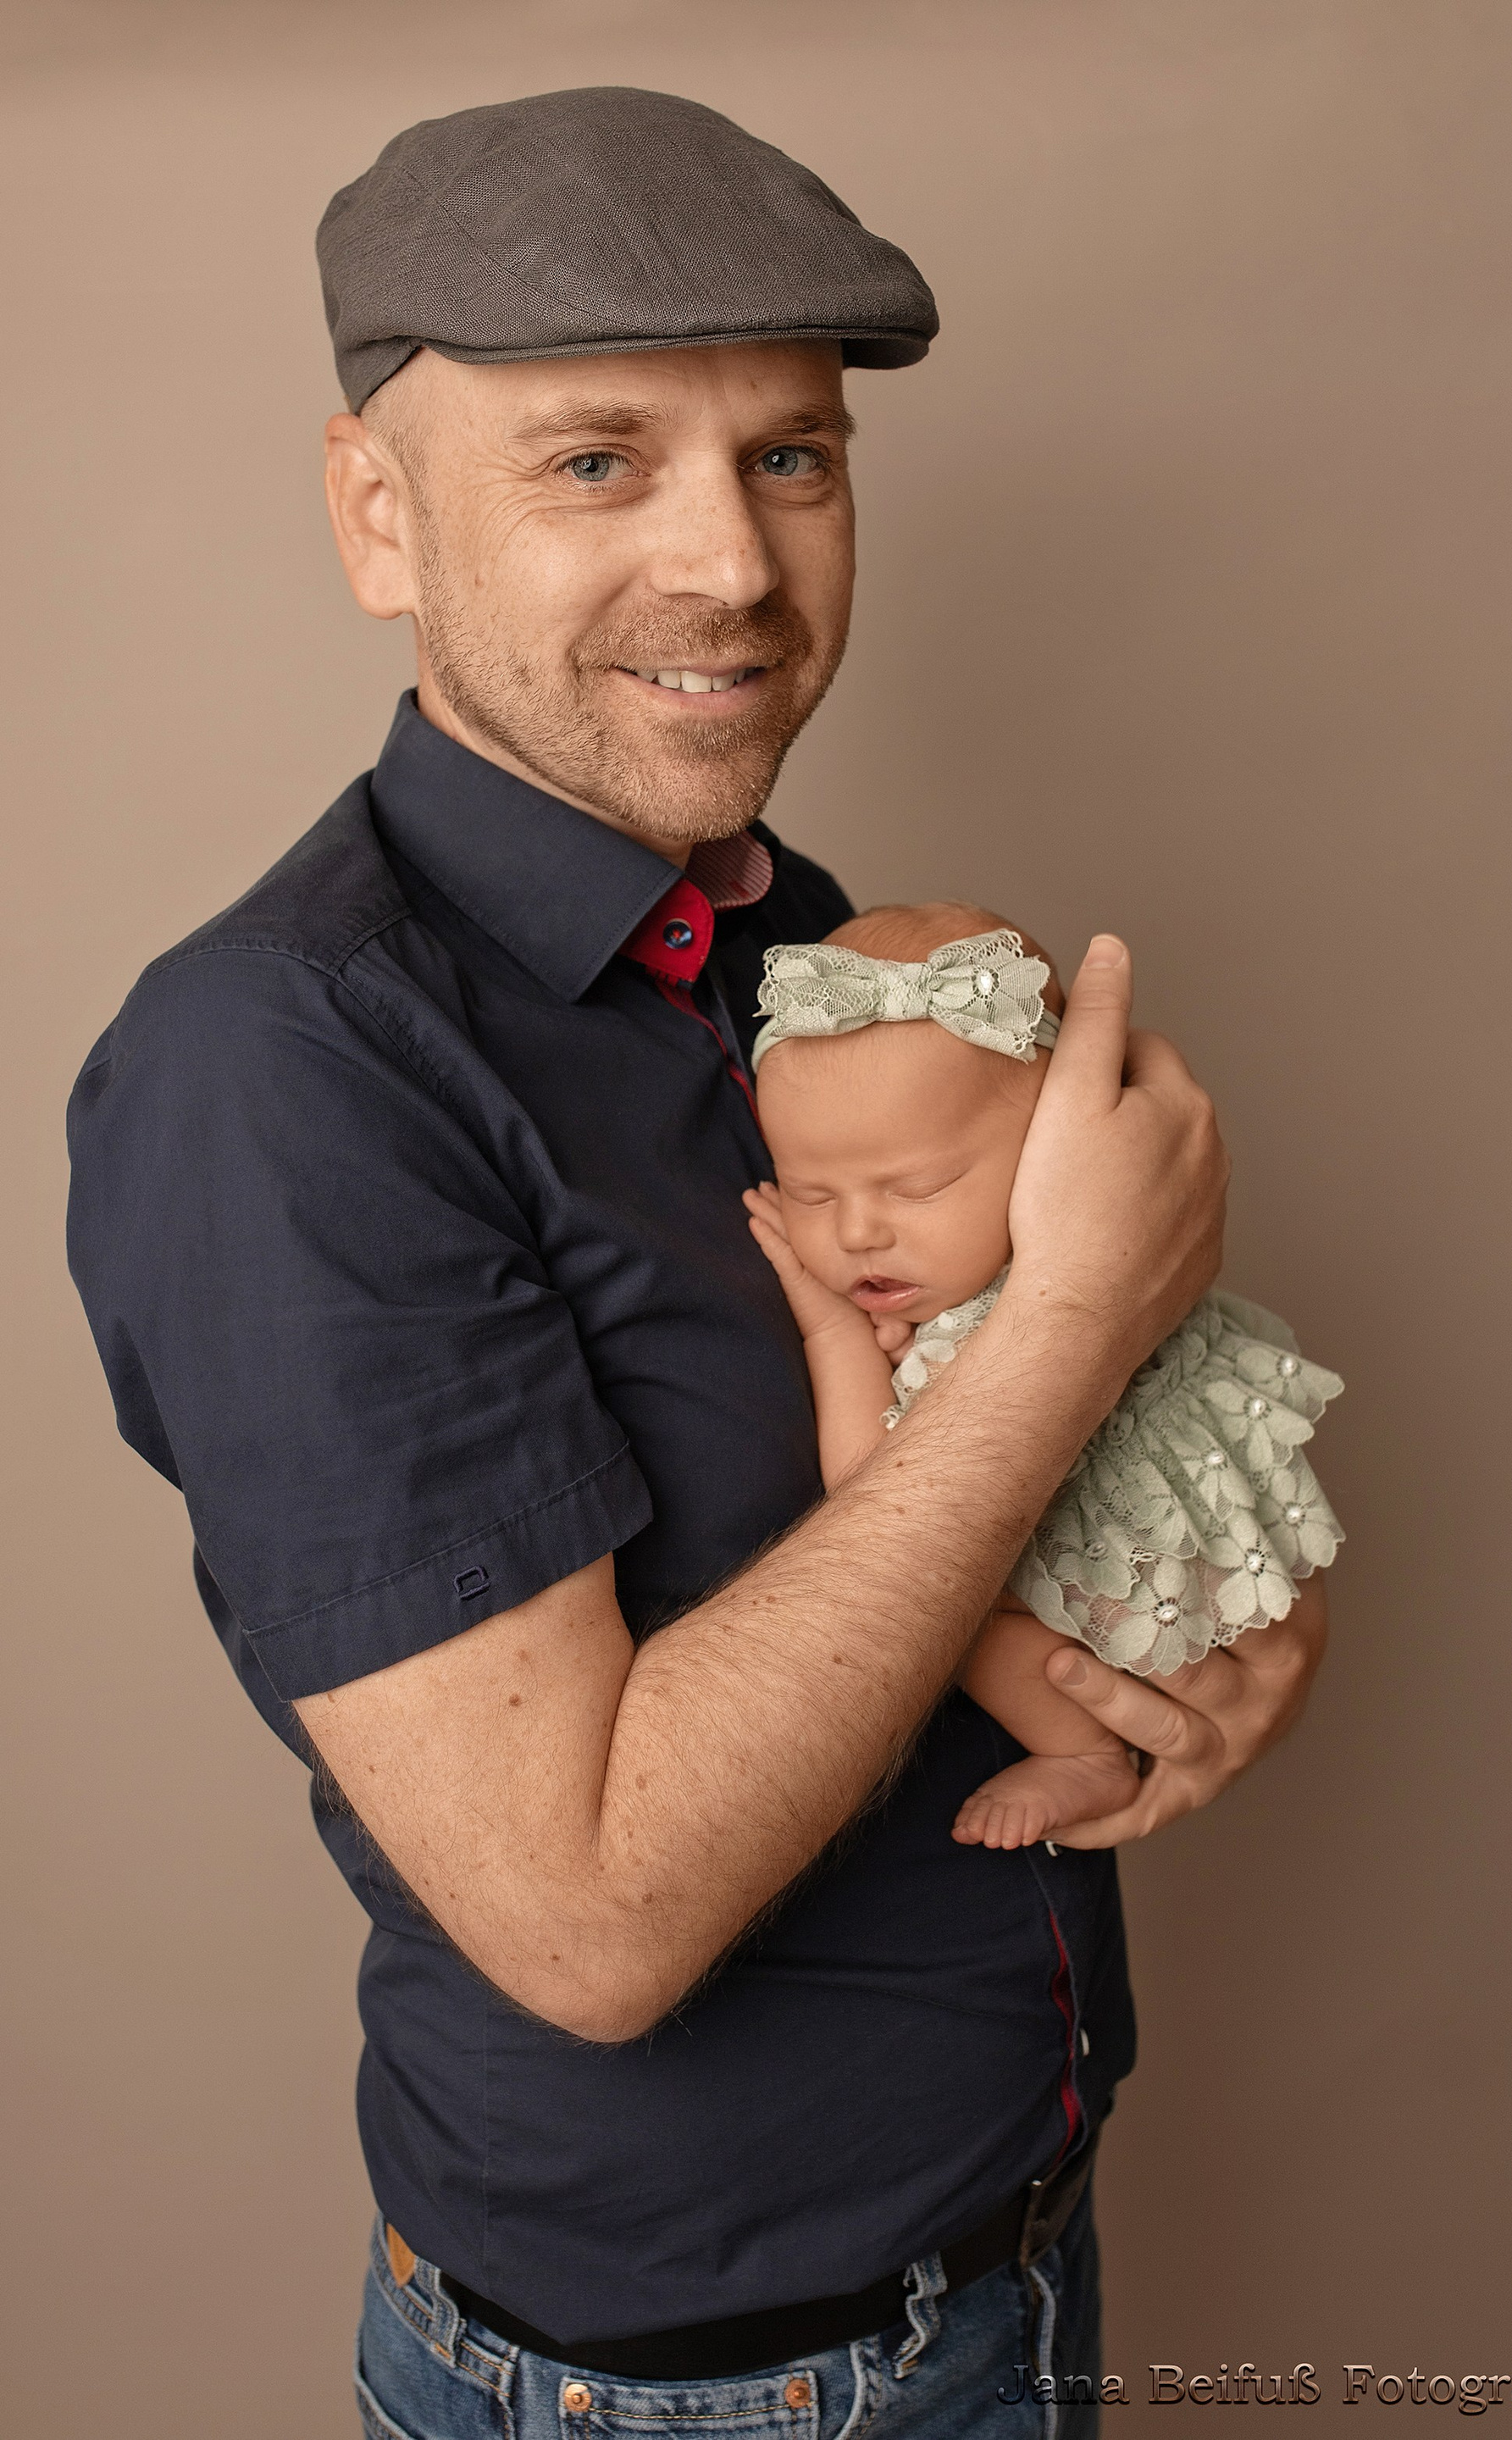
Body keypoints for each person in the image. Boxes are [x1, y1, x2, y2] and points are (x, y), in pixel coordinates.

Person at [65, 87, 1326, 2436]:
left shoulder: (802, 949)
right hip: (708, 2397)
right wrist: (1079, 1315)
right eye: (595, 463)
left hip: (1009, 2251)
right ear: (376, 516)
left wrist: (1195, 1667)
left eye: (793, 458)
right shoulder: (279, 1072)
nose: (734, 565)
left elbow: (958, 1503)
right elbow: (589, 1916)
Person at [744, 901, 1343, 1852]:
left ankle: (1082, 1751)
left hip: (1145, 1578)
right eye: (811, 1193)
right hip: (1195, 1595)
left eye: (917, 1187)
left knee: (958, 1622)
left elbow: (867, 1486)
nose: (857, 1232)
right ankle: (1091, 1751)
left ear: (1054, 1155)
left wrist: (830, 1327)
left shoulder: (1070, 1289)